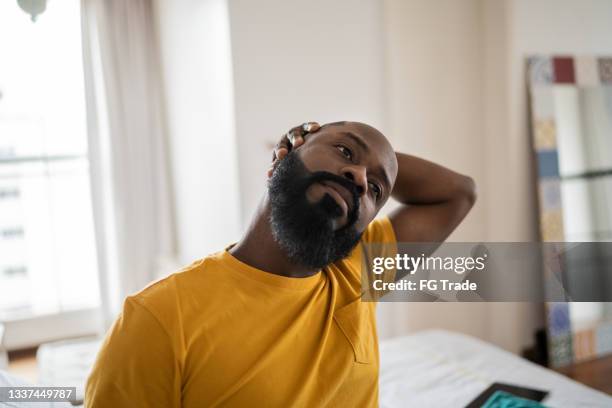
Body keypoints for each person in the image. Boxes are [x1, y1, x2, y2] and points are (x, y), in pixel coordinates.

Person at [85, 121, 476, 407]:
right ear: (283, 154)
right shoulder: (157, 318)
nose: (359, 177)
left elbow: (459, 193)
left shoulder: (358, 268)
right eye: (345, 152)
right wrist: (368, 165)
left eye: (374, 190)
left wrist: (376, 163)